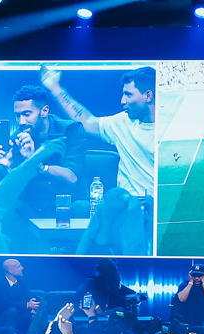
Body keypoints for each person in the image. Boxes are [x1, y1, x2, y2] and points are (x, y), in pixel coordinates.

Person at [42, 66, 155, 255]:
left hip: (158, 210)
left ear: (148, 96)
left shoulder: (171, 129)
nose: (122, 101)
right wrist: (55, 87)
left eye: (128, 95)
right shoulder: (122, 122)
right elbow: (86, 121)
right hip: (126, 209)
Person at [0, 84, 86, 253]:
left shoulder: (71, 130)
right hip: (34, 208)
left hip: (68, 206)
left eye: (27, 114)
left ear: (44, 111)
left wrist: (35, 161)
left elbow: (72, 177)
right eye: (17, 116)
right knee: (12, 207)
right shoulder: (17, 139)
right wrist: (8, 167)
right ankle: (21, 263)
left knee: (82, 207)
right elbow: (17, 191)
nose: (21, 122)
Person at [0, 258, 40, 334]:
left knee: (40, 309)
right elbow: (6, 304)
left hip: (20, 312)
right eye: (19, 266)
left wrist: (32, 306)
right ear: (10, 271)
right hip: (3, 316)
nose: (22, 268)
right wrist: (27, 305)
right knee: (12, 311)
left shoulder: (21, 281)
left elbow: (28, 296)